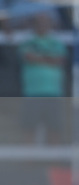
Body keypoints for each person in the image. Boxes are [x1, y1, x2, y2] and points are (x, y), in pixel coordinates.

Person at [19, 12, 67, 144]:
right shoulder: (28, 42)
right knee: (29, 129)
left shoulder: (56, 43)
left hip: (53, 93)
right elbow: (29, 57)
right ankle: (28, 161)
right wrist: (49, 58)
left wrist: (39, 58)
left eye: (45, 23)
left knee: (54, 129)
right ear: (34, 25)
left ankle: (53, 162)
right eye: (39, 23)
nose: (42, 26)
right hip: (32, 93)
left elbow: (59, 60)